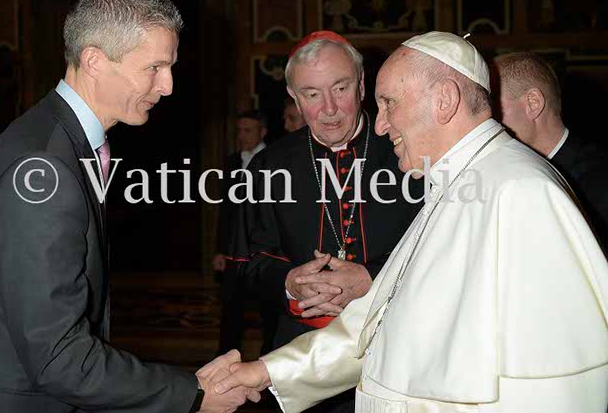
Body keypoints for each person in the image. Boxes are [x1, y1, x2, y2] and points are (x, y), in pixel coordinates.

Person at [215, 32, 608, 413]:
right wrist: (266, 372)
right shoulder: (452, 181)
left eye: (389, 103)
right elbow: (378, 322)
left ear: (444, 100)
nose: (380, 124)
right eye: (312, 94)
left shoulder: (520, 191)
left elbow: (558, 381)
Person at [0, 0, 258, 413]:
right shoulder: (44, 168)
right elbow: (59, 357)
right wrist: (192, 393)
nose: (168, 85)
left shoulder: (57, 138)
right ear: (94, 61)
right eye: (154, 67)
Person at [231, 31, 422, 413]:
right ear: (294, 97)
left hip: (398, 349)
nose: (329, 109)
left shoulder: (410, 153)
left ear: (362, 85)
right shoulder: (269, 165)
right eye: (312, 94)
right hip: (300, 357)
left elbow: (445, 246)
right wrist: (289, 282)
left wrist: (371, 277)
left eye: (340, 88)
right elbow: (247, 262)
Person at [492, 51, 608, 247]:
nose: (486, 122)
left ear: (533, 103)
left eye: (494, 108)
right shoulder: (504, 171)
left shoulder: (599, 181)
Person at [213, 110, 268, 353]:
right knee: (230, 309)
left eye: (248, 130)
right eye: (239, 131)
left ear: (262, 132)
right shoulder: (232, 162)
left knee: (269, 311)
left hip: (264, 251)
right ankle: (225, 360)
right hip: (235, 250)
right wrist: (220, 250)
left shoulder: (275, 158)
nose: (242, 136)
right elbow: (226, 211)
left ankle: (269, 365)